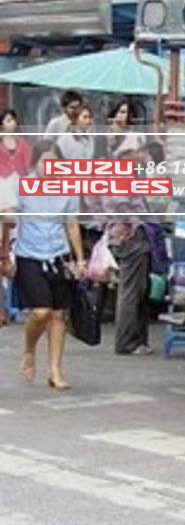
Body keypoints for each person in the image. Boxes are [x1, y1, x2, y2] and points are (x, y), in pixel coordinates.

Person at [0, 140, 86, 389]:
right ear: (35, 162)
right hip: (29, 256)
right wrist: (4, 253)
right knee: (41, 311)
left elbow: (72, 224)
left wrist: (79, 259)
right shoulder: (20, 184)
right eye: (44, 162)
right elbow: (8, 215)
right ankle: (29, 350)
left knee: (58, 314)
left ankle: (55, 370)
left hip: (58, 255)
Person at [101, 135, 156, 355]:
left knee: (137, 290)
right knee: (131, 291)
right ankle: (127, 341)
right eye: (137, 151)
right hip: (130, 238)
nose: (141, 156)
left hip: (131, 235)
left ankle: (135, 339)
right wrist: (134, 224)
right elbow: (121, 206)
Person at [0, 110, 33, 327]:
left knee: (16, 246)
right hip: (3, 194)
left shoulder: (23, 145)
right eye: (7, 120)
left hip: (20, 196)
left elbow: (29, 169)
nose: (10, 123)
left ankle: (17, 303)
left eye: (13, 119)